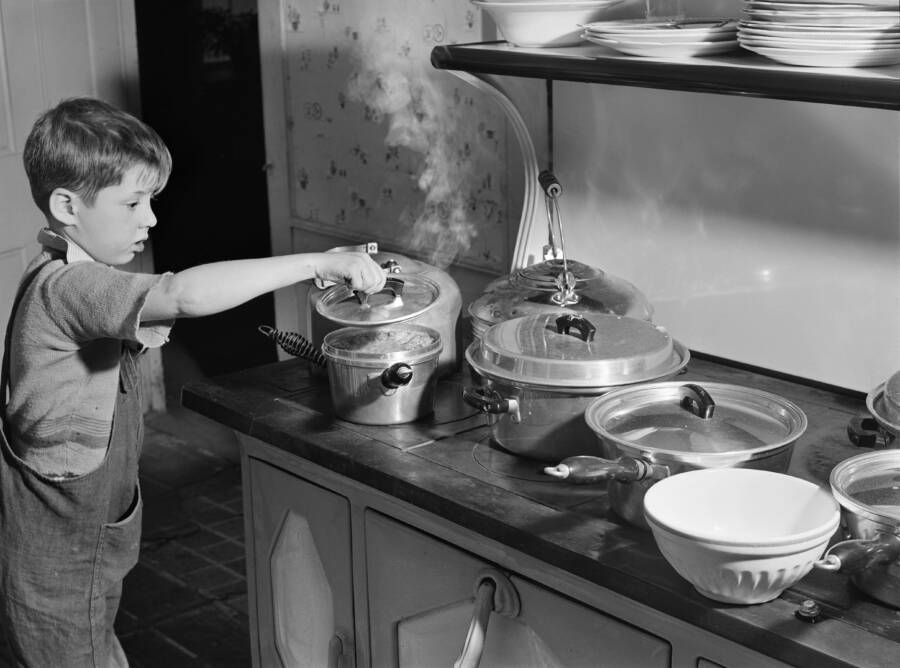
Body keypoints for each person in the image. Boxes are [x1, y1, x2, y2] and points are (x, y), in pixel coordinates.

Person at [0, 97, 385, 667]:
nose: (150, 219)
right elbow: (183, 293)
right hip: (58, 549)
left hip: (84, 532)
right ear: (67, 206)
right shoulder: (70, 287)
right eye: (132, 202)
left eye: (150, 201)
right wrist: (316, 264)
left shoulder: (67, 267)